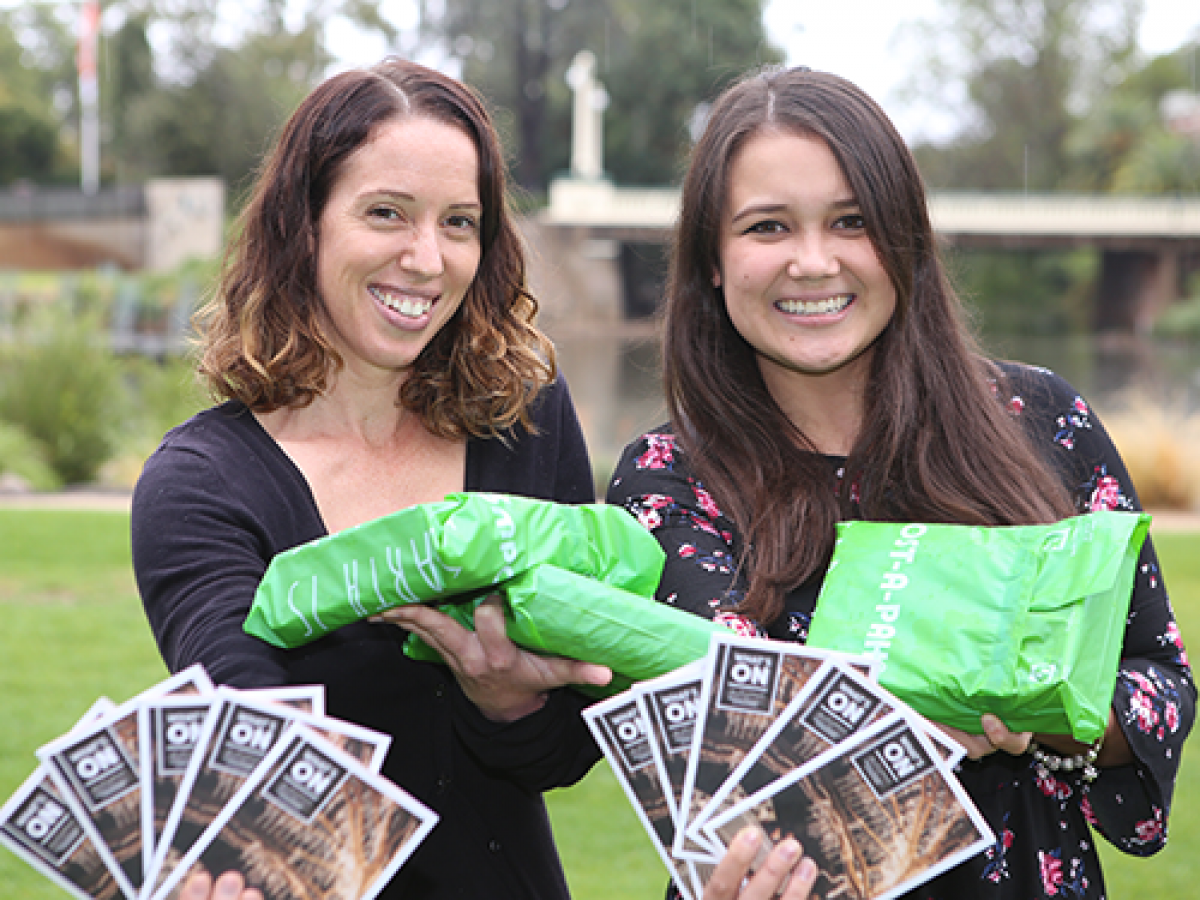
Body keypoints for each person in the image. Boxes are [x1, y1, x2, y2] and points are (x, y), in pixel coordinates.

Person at [606, 65, 1195, 899]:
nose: (814, 263)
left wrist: (1047, 717)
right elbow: (725, 746)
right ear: (710, 257)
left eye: (851, 221)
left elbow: (1159, 678)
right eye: (767, 227)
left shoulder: (1041, 420)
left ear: (904, 238)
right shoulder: (667, 481)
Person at [132, 57, 612, 900]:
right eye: (386, 213)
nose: (427, 260)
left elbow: (567, 750)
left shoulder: (526, 420)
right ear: (303, 225)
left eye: (460, 222)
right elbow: (256, 753)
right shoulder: (201, 486)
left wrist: (506, 702)